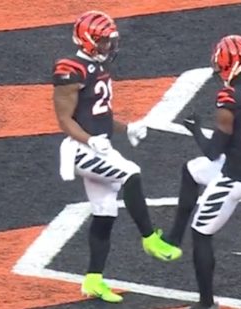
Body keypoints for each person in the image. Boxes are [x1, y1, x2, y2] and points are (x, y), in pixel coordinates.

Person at [52, 10, 182, 304]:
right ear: (86, 40)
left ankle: (93, 280)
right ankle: (150, 238)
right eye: (103, 41)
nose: (108, 47)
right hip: (79, 150)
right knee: (130, 173)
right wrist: (90, 140)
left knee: (105, 214)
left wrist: (127, 128)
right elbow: (64, 120)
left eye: (110, 41)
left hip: (97, 145)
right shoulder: (70, 69)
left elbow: (98, 115)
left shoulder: (97, 69)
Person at [165, 35, 241, 309]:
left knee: (201, 234)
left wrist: (195, 128)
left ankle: (206, 304)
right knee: (191, 170)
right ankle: (173, 237)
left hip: (234, 177)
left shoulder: (230, 96)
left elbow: (212, 151)